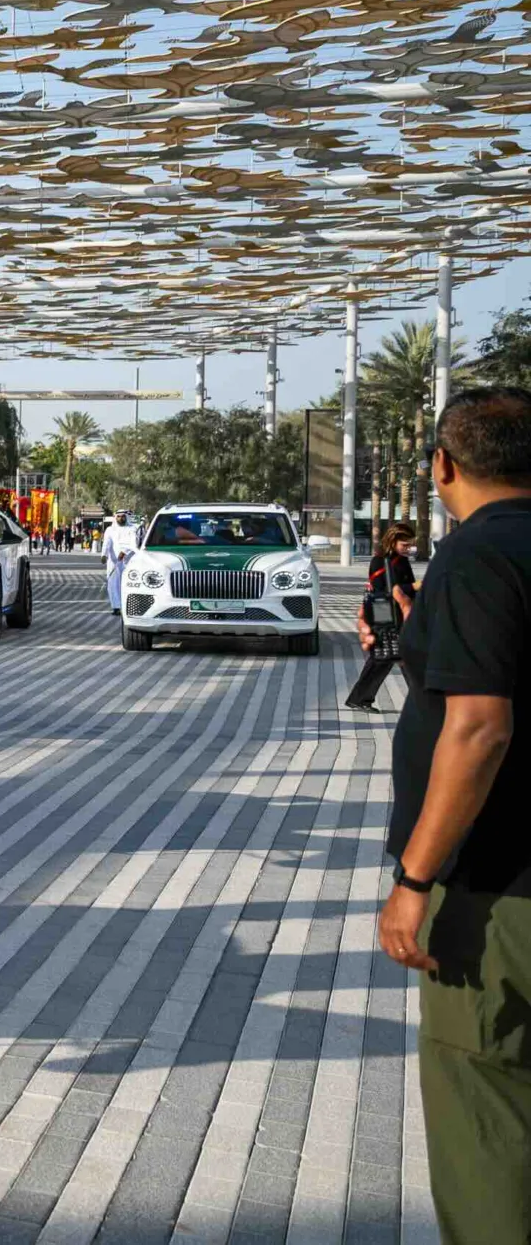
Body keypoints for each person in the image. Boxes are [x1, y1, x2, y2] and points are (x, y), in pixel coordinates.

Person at [372, 387, 531, 1244]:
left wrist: (413, 879)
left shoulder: (477, 557)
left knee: (488, 1125)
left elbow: (478, 727)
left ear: (442, 467)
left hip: (499, 894)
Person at [345, 521, 419, 711]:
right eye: (405, 545)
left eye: (410, 545)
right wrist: (415, 587)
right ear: (393, 540)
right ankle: (360, 698)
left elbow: (407, 588)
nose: (408, 549)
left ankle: (360, 698)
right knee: (387, 656)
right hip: (384, 614)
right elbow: (385, 589)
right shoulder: (380, 561)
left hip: (401, 614)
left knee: (393, 656)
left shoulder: (401, 560)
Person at [100, 510, 141, 612]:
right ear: (115, 517)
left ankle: (130, 607)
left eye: (123, 516)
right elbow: (107, 543)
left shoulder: (132, 529)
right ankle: (116, 606)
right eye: (119, 516)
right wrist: (104, 555)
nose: (121, 518)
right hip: (114, 561)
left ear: (126, 517)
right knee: (113, 583)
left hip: (129, 560)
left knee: (130, 583)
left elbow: (133, 543)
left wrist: (124, 552)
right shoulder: (110, 529)